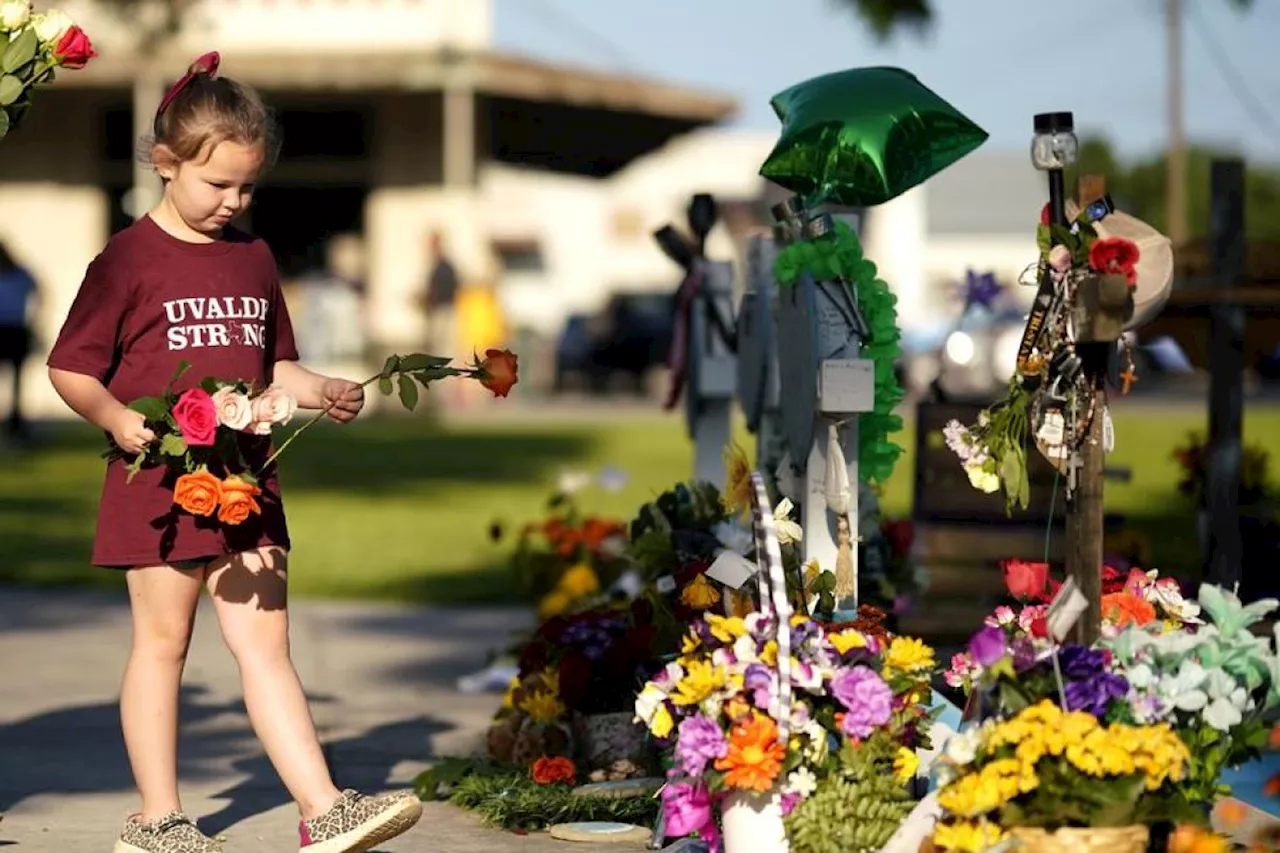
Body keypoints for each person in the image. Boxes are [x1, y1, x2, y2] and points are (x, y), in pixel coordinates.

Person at [44, 52, 422, 853]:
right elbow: (69, 367)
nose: (234, 201)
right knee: (162, 644)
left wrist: (321, 387)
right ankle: (157, 818)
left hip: (246, 479)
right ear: (166, 162)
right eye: (217, 185)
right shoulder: (125, 261)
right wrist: (113, 416)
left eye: (248, 187)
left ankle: (324, 809)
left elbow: (272, 363)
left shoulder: (252, 257)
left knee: (265, 645)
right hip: (160, 480)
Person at [0, 240, 37, 441]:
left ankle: (15, 423)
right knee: (15, 381)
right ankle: (14, 423)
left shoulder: (21, 273)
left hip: (14, 329)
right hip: (14, 329)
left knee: (16, 381)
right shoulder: (21, 274)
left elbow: (38, 292)